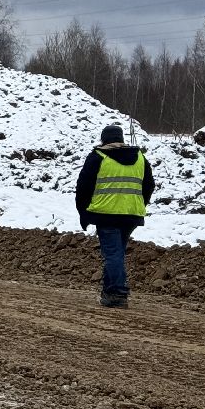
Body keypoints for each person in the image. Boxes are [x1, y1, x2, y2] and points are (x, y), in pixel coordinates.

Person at [75, 123, 154, 308]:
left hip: (106, 214)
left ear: (104, 140)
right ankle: (109, 292)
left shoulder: (98, 156)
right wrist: (139, 204)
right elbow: (149, 185)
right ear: (121, 139)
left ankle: (118, 293)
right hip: (131, 215)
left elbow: (83, 187)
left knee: (112, 254)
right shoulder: (140, 157)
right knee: (116, 253)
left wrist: (83, 213)